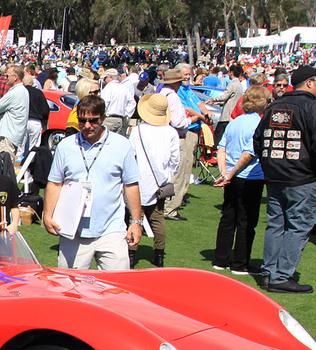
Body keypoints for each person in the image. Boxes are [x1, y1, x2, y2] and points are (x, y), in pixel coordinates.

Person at [42, 93, 143, 270]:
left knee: (116, 290)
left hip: (112, 229)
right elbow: (55, 183)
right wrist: (47, 215)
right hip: (73, 230)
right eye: (82, 121)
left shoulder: (122, 145)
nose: (87, 126)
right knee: (70, 288)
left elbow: (131, 185)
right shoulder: (66, 146)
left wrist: (136, 221)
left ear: (103, 118)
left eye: (93, 120)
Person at [251, 64, 316, 293]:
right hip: (302, 178)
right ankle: (281, 276)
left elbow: (258, 140)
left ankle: (268, 272)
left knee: (276, 225)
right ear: (310, 82)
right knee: (297, 227)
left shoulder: (275, 105)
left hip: (275, 176)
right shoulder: (315, 107)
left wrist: (269, 165)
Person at [212, 85, 272, 274]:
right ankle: (240, 263)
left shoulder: (234, 122)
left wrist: (224, 172)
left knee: (228, 218)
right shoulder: (258, 124)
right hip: (249, 177)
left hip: (232, 177)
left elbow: (221, 148)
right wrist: (228, 174)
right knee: (246, 221)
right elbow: (248, 154)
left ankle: (221, 259)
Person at [129, 93, 179, 267]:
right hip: (160, 181)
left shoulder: (137, 131)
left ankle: (131, 254)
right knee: (157, 217)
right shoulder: (171, 132)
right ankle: (159, 254)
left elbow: (131, 156)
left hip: (138, 179)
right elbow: (175, 160)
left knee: (135, 217)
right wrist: (168, 175)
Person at [158, 66, 208, 221]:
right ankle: (170, 208)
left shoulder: (162, 93)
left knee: (172, 172)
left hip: (166, 135)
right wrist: (194, 119)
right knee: (178, 173)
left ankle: (166, 205)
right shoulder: (172, 96)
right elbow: (179, 122)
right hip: (177, 135)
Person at [0, 65, 30, 163]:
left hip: (8, 133)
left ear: (15, 77)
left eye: (8, 76)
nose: (6, 78)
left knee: (5, 164)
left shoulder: (14, 92)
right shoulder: (24, 91)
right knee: (9, 162)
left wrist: (4, 109)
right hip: (15, 133)